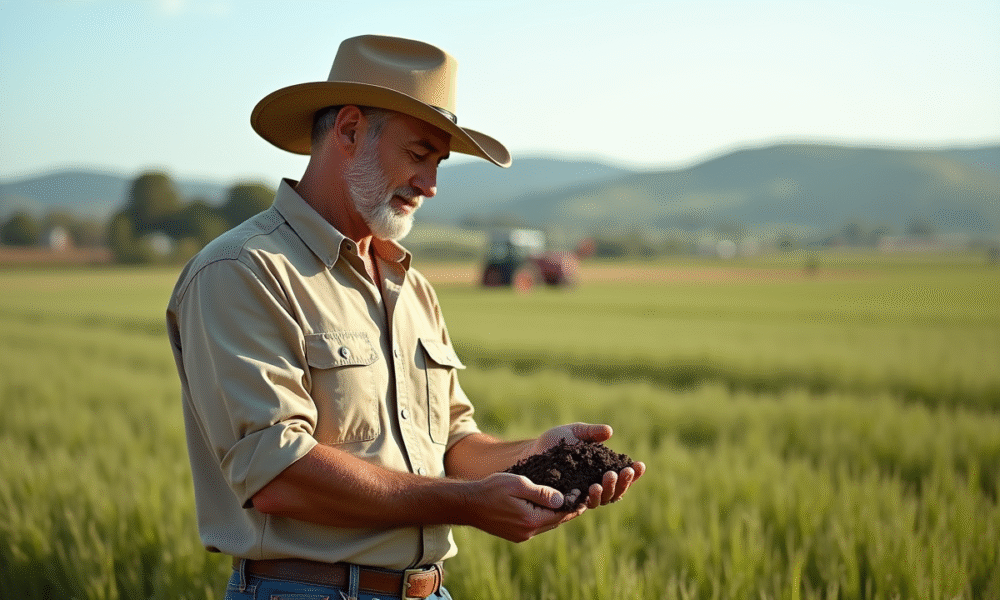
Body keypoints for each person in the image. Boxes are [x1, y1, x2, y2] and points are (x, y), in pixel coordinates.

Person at [166, 34, 644, 600]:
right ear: (348, 130)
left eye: (438, 162)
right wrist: (469, 505)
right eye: (419, 155)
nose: (432, 185)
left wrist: (537, 458)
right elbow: (278, 475)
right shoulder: (243, 271)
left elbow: (452, 443)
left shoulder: (411, 287)